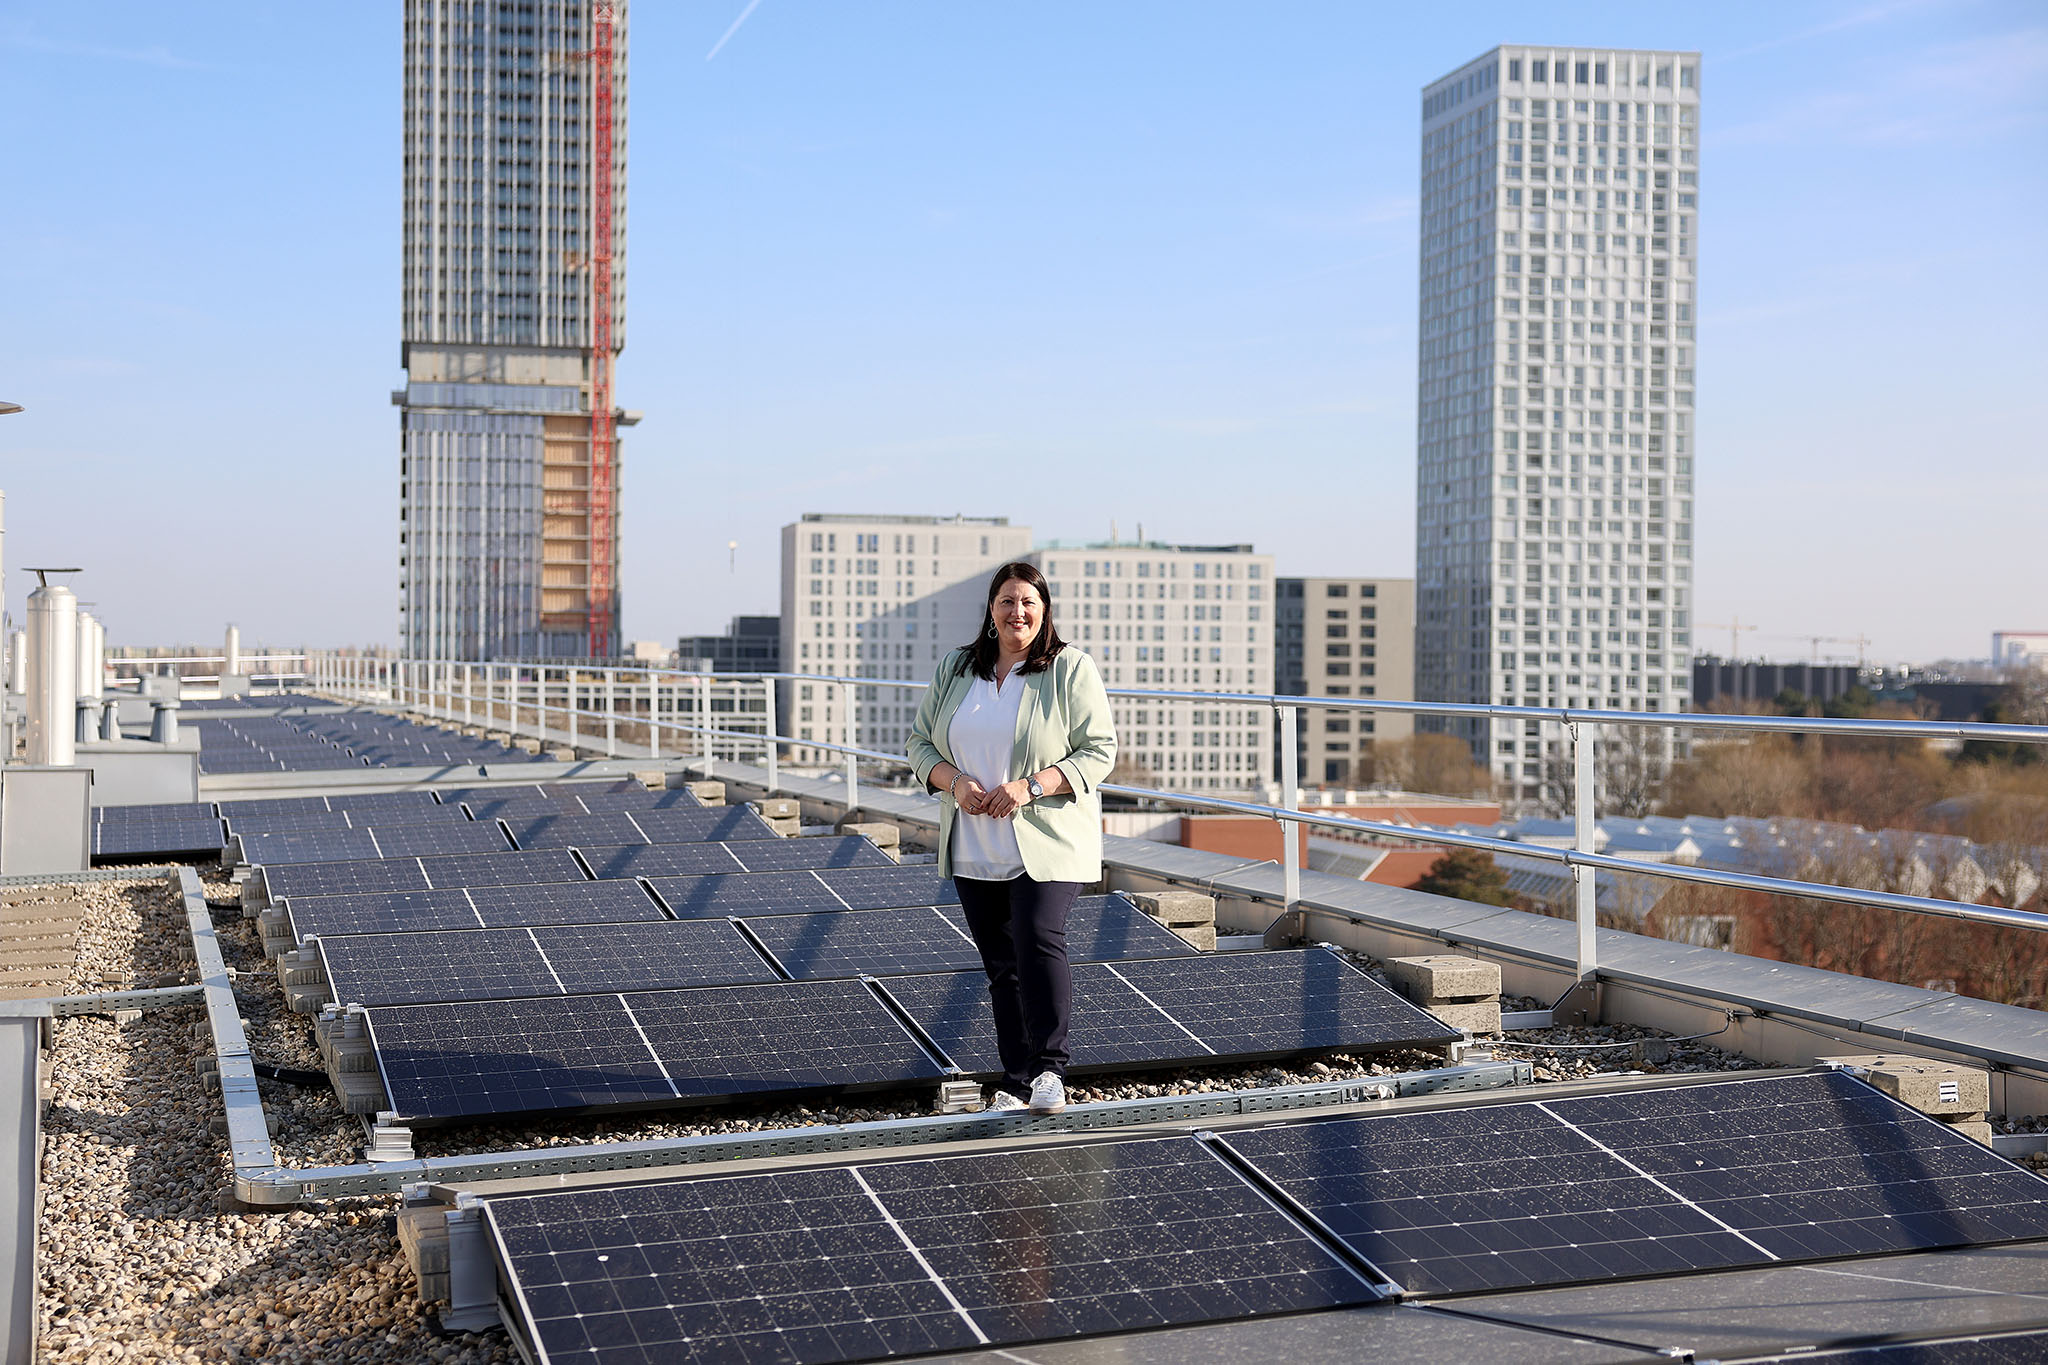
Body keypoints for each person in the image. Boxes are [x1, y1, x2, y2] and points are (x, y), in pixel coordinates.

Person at [907, 561, 1116, 1115]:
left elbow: (1099, 750)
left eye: (1028, 602)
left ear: (1043, 611)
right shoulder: (957, 668)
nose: (1017, 612)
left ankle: (1050, 1071)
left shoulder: (1070, 669)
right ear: (991, 610)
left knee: (1036, 935)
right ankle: (1017, 1079)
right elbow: (919, 743)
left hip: (1047, 838)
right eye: (1006, 601)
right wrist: (954, 782)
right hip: (973, 839)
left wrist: (1031, 786)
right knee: (1001, 963)